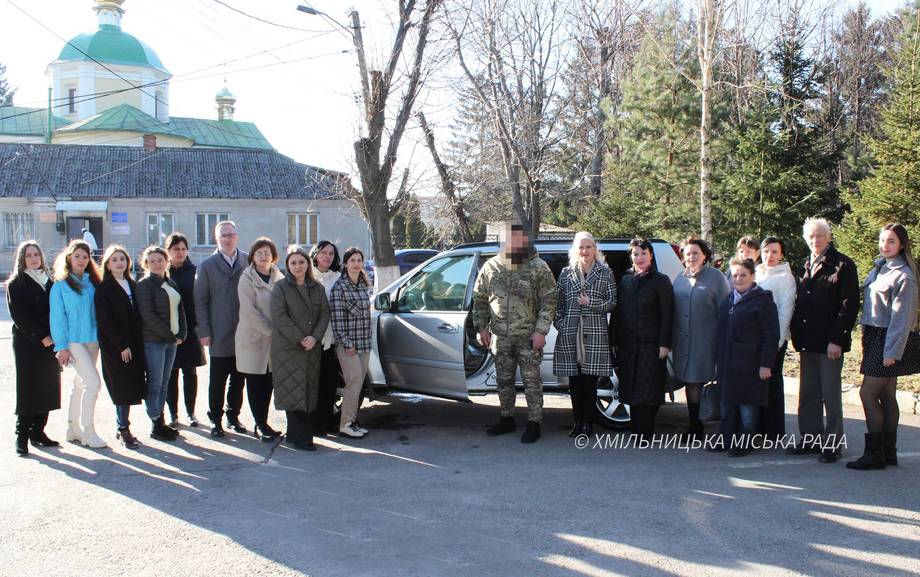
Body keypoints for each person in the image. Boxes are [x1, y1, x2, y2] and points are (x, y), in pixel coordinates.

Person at [472, 221, 557, 443]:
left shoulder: (538, 267)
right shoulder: (491, 267)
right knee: (504, 380)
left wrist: (541, 331)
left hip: (529, 336)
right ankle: (507, 418)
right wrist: (482, 327)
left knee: (532, 381)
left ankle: (534, 422)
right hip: (500, 336)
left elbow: (549, 301)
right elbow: (480, 299)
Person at [847, 224, 919, 470]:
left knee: (867, 393)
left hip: (889, 339)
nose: (885, 245)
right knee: (887, 396)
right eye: (882, 240)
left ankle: (875, 454)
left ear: (901, 245)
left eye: (891, 241)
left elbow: (903, 317)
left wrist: (892, 351)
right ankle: (888, 452)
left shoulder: (904, 275)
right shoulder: (881, 266)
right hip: (875, 335)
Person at [789, 217, 859, 463]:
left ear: (829, 237)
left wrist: (837, 340)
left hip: (829, 343)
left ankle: (832, 445)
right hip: (807, 341)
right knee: (808, 393)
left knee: (830, 395)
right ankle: (810, 439)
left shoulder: (842, 265)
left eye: (820, 235)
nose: (815, 240)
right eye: (811, 236)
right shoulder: (806, 264)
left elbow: (848, 306)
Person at [609, 238, 674, 440]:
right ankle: (636, 429)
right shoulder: (626, 279)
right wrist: (613, 340)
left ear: (651, 255)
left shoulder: (660, 280)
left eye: (643, 253)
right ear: (631, 256)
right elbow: (618, 312)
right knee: (632, 388)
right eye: (635, 254)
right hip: (628, 345)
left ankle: (646, 432)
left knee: (649, 389)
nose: (640, 258)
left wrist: (665, 343)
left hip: (651, 345)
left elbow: (668, 314)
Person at [553, 232, 616, 437]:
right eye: (581, 247)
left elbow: (613, 302)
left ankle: (588, 424)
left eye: (588, 247)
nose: (585, 251)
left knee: (589, 384)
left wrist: (591, 303)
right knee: (574, 384)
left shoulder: (605, 272)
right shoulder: (565, 273)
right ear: (575, 250)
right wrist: (561, 324)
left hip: (595, 336)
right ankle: (577, 422)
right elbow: (557, 304)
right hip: (570, 334)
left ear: (595, 249)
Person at [715, 258, 780, 457]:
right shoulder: (729, 299)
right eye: (735, 275)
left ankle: (744, 442)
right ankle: (726, 439)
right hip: (728, 363)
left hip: (751, 364)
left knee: (747, 408)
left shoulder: (763, 300)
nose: (739, 279)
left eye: (743, 275)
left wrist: (765, 364)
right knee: (727, 405)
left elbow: (772, 335)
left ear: (753, 276)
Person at [670, 236, 731, 439]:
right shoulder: (680, 277)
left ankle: (722, 425)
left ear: (705, 255)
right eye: (687, 253)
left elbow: (726, 311)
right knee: (691, 383)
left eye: (696, 253)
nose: (691, 256)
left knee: (712, 384)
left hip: (708, 340)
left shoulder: (716, 278)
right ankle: (694, 425)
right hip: (684, 341)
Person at [271, 246, 330, 451]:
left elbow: (324, 314)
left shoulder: (317, 287)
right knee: (291, 391)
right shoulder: (280, 288)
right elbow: (279, 317)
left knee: (307, 391)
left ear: (308, 264)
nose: (297, 266)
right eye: (293, 262)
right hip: (288, 348)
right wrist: (300, 338)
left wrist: (314, 337)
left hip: (311, 348)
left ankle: (297, 436)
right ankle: (302, 438)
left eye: (301, 262)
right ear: (287, 265)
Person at [50, 239, 106, 448]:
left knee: (80, 384)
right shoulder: (60, 286)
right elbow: (57, 318)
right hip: (72, 341)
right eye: (77, 256)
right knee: (93, 383)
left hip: (93, 340)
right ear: (69, 258)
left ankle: (72, 428)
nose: (82, 260)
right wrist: (61, 346)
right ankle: (88, 432)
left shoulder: (94, 284)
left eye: (85, 256)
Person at [194, 220, 248, 437]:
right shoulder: (206, 265)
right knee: (217, 380)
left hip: (244, 333)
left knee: (239, 379)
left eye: (230, 234)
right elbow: (200, 301)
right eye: (223, 235)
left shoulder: (247, 260)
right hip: (218, 332)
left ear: (236, 236)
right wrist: (204, 331)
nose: (227, 238)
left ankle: (233, 416)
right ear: (217, 239)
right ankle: (215, 420)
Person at [7, 241, 61, 455]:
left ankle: (38, 431)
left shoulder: (50, 281)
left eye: (36, 254)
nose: (33, 258)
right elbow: (20, 316)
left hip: (52, 341)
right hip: (28, 343)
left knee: (47, 386)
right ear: (22, 259)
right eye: (28, 255)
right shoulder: (16, 283)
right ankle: (21, 436)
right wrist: (41, 336)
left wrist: (56, 336)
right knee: (29, 388)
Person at [94, 245, 147, 449]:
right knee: (121, 388)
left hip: (135, 343)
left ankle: (123, 425)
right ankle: (123, 428)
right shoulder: (104, 289)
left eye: (122, 259)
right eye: (114, 259)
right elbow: (106, 321)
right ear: (107, 264)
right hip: (117, 347)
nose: (119, 262)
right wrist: (122, 345)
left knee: (132, 386)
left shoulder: (132, 284)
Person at [236, 237, 284, 442]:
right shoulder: (246, 278)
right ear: (253, 256)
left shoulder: (279, 276)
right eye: (259, 252)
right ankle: (260, 424)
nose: (264, 255)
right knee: (256, 384)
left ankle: (264, 422)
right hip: (254, 339)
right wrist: (271, 332)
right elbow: (249, 311)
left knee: (268, 384)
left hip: (275, 341)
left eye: (267, 252)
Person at [136, 246, 186, 441]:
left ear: (167, 261)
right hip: (154, 341)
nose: (156, 264)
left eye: (160, 259)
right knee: (155, 383)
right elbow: (148, 315)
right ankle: (155, 423)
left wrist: (182, 333)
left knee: (165, 382)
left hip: (171, 341)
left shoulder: (170, 282)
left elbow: (180, 310)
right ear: (146, 264)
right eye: (152, 261)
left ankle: (161, 420)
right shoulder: (144, 285)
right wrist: (168, 335)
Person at [754, 236, 797, 441]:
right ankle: (758, 428)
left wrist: (776, 344)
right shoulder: (757, 272)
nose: (769, 256)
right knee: (758, 385)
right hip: (754, 340)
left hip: (774, 340)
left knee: (771, 384)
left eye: (774, 252)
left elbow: (785, 312)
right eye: (766, 251)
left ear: (781, 255)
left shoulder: (785, 277)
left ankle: (773, 431)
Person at [330, 247, 375, 438]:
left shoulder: (364, 284)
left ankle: (353, 421)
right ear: (346, 263)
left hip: (364, 343)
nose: (356, 264)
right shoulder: (340, 287)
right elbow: (338, 322)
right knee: (353, 382)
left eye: (359, 260)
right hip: (348, 346)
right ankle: (345, 423)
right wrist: (347, 344)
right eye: (353, 260)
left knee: (358, 384)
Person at [166, 233, 205, 428]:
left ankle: (191, 413)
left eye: (183, 248)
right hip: (169, 330)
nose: (180, 252)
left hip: (191, 328)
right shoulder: (163, 273)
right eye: (175, 249)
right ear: (169, 252)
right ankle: (173, 414)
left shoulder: (196, 271)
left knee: (189, 372)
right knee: (170, 373)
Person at [309, 240, 342, 435]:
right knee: (312, 384)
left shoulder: (338, 277)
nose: (328, 256)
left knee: (329, 383)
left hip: (330, 340)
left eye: (331, 253)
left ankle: (327, 420)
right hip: (310, 339)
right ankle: (313, 424)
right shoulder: (307, 275)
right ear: (315, 254)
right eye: (324, 252)